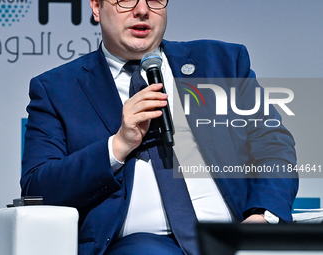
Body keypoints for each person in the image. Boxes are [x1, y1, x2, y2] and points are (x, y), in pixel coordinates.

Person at [21, 0, 298, 254]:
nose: (142, 10)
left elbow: (272, 143)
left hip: (232, 233)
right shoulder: (57, 89)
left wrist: (262, 216)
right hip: (140, 244)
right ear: (96, 7)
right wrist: (118, 145)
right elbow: (38, 187)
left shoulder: (222, 62)